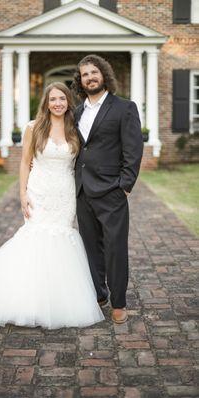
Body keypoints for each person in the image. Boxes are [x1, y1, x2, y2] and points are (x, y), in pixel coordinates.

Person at [0, 82, 104, 330]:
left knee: (61, 237)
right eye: (53, 99)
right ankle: (29, 298)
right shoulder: (33, 128)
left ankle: (56, 296)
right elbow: (25, 163)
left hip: (64, 193)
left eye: (62, 99)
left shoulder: (75, 129)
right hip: (39, 190)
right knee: (35, 236)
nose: (58, 103)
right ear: (46, 102)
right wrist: (22, 193)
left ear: (68, 103)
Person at [72, 54, 143, 324]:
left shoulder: (124, 108)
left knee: (115, 248)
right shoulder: (77, 111)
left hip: (112, 191)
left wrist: (124, 186)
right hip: (83, 191)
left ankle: (119, 302)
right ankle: (99, 294)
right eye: (84, 74)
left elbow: (133, 150)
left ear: (104, 74)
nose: (89, 77)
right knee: (91, 247)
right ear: (80, 81)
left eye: (93, 72)